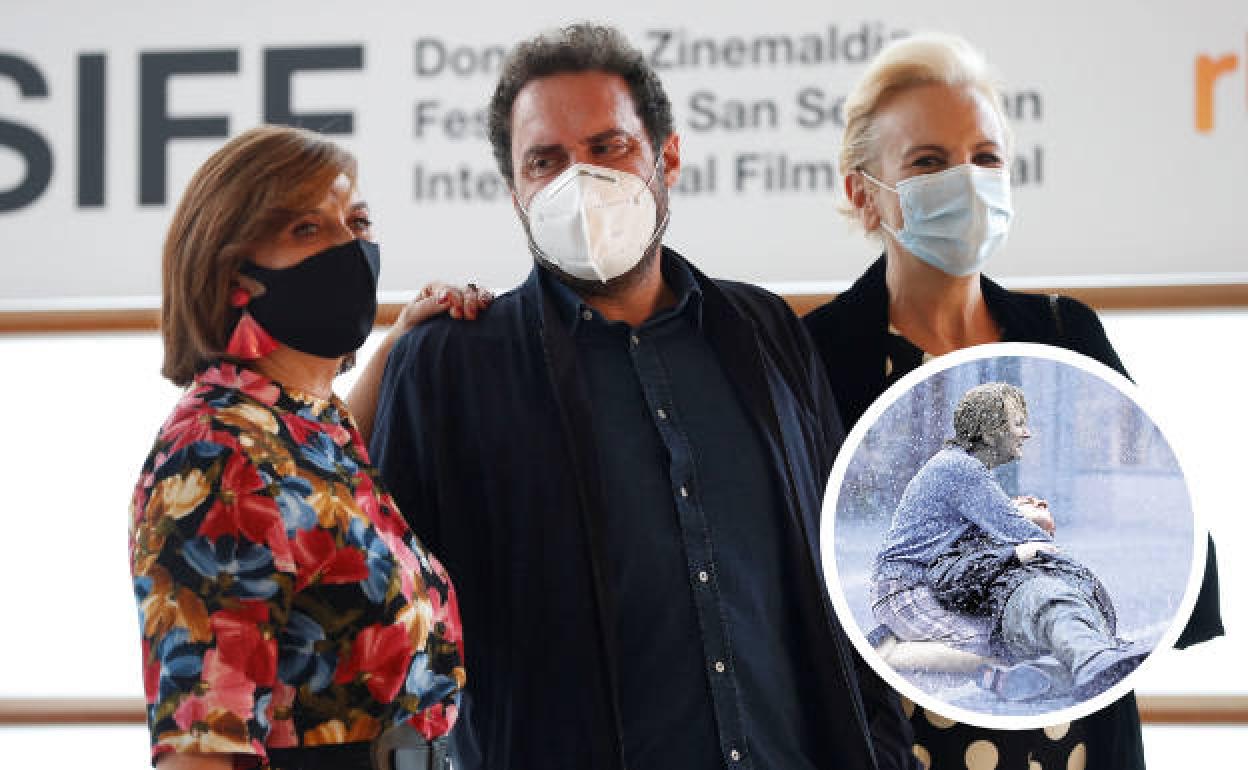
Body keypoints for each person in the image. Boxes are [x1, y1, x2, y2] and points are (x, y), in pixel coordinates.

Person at [367, 22, 916, 770]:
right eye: (545, 161)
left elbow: (843, 577)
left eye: (608, 146)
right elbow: (389, 629)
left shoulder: (766, 334)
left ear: (669, 156)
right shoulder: (449, 367)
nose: (579, 180)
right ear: (515, 191)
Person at [803, 32, 1224, 770]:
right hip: (907, 743)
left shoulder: (1064, 335)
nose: (965, 181)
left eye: (985, 158)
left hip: (1077, 745)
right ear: (863, 194)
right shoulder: (811, 356)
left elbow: (1175, 529)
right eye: (929, 162)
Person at [129, 124, 488, 770]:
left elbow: (311, 506)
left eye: (358, 221)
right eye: (307, 229)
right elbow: (204, 749)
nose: (349, 248)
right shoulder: (217, 458)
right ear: (234, 271)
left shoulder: (305, 425)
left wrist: (398, 344)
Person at [880, 382, 1147, 703]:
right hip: (907, 588)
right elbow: (1023, 533)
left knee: (1025, 638)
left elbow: (997, 525)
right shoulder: (962, 469)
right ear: (990, 433)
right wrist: (1037, 529)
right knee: (988, 646)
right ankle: (889, 649)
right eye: (1018, 424)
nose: (1027, 433)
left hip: (942, 583)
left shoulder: (961, 466)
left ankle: (1065, 669)